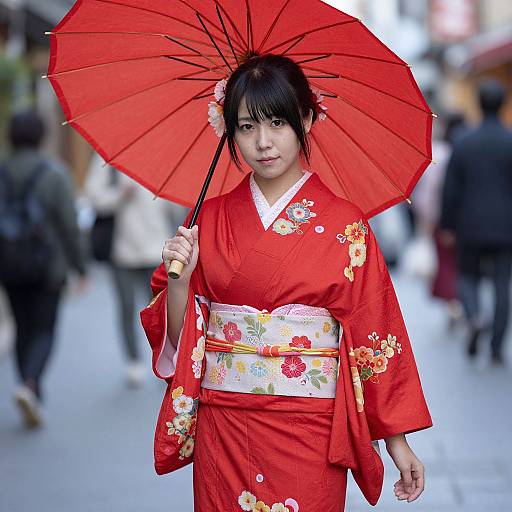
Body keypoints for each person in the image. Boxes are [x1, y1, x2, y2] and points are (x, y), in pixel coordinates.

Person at [141, 54, 432, 510]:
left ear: (307, 119)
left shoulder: (345, 225)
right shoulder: (207, 221)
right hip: (226, 426)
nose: (262, 142)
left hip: (308, 427)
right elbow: (183, 339)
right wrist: (180, 281)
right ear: (229, 132)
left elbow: (375, 333)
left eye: (277, 122)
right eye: (245, 126)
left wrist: (397, 441)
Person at [0, 109, 87, 428]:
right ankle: (31, 384)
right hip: (48, 268)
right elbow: (68, 225)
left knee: (22, 326)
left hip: (9, 266)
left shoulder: (2, 171)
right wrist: (81, 266)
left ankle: (27, 384)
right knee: (45, 329)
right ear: (41, 136)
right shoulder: (54, 174)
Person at [85, 153, 188, 387]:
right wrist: (120, 195)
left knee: (162, 308)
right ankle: (133, 361)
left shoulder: (161, 159)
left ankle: (167, 357)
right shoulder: (107, 161)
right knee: (126, 306)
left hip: (157, 249)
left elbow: (174, 207)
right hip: (122, 251)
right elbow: (95, 198)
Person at [440, 79, 512, 365]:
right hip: (506, 226)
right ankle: (495, 346)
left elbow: (451, 187)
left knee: (467, 276)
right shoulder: (510, 141)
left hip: (469, 224)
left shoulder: (464, 142)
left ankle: (473, 315)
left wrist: (447, 224)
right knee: (501, 284)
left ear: (479, 103)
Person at [413, 112, 467, 330]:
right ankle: (462, 302)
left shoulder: (440, 154)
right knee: (460, 262)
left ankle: (454, 304)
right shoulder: (462, 150)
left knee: (445, 262)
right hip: (465, 219)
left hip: (440, 217)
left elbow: (429, 190)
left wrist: (425, 216)